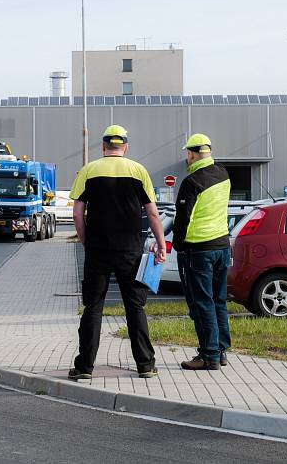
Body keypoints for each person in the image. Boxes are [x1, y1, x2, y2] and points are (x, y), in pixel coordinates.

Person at [68, 125, 167, 380]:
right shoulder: (138, 171)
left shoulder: (89, 170)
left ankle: (84, 367)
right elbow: (153, 212)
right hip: (130, 251)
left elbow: (78, 213)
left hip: (98, 250)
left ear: (103, 146)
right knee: (135, 308)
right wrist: (161, 243)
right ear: (125, 147)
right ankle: (145, 364)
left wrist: (86, 241)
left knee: (93, 307)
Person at [172, 133, 231, 370]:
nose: (187, 158)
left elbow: (183, 218)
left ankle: (208, 356)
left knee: (202, 302)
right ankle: (221, 350)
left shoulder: (192, 181)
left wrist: (178, 244)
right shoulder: (223, 174)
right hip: (222, 245)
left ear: (192, 154)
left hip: (199, 249)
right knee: (219, 300)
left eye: (188, 153)